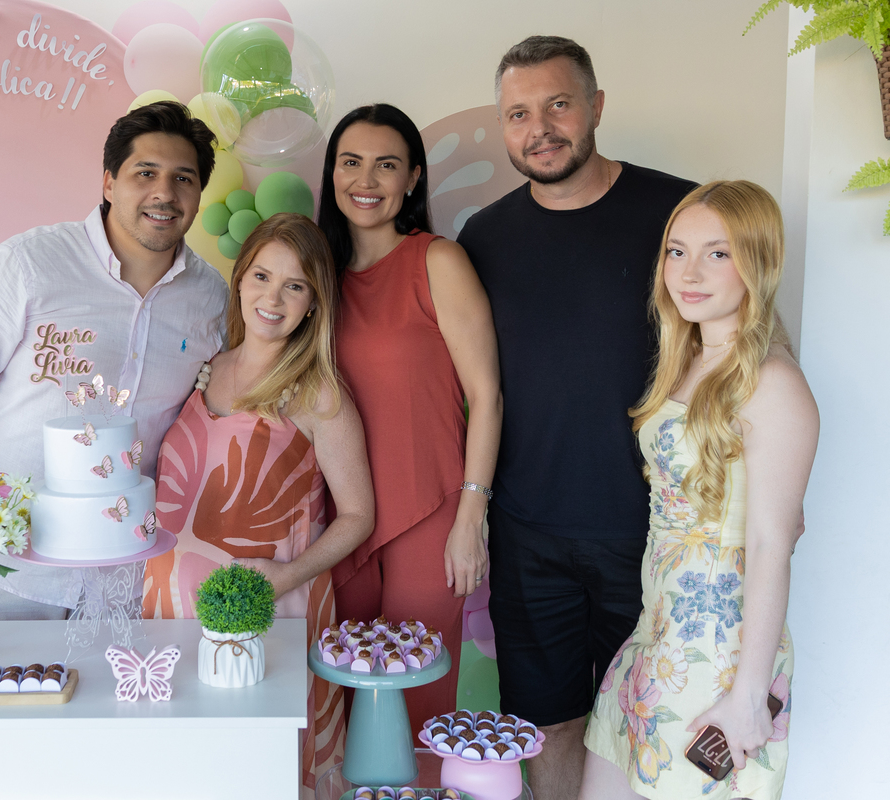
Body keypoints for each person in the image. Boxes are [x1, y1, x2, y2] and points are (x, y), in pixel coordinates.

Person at [456, 36, 697, 799]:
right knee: (547, 724)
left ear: (595, 105)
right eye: (519, 113)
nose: (540, 128)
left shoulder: (680, 214)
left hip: (655, 529)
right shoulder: (484, 238)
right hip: (530, 533)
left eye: (558, 104)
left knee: (649, 726)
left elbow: (746, 345)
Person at [0, 101, 228, 620]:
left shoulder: (211, 297)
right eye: (145, 173)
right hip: (11, 562)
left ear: (199, 195)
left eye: (184, 178)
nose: (165, 193)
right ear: (109, 182)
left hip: (131, 576)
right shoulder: (28, 264)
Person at [580, 180, 817, 798]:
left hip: (719, 653)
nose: (689, 272)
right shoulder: (687, 361)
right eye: (676, 251)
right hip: (656, 633)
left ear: (757, 262)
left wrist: (749, 695)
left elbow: (772, 543)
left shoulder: (773, 383)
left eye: (718, 253)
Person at [141, 213, 375, 792]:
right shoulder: (205, 368)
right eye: (262, 277)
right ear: (240, 279)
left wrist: (285, 577)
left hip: (268, 610)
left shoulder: (319, 394)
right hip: (171, 608)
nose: (273, 298)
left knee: (259, 772)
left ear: (314, 304)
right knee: (183, 771)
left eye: (295, 286)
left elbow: (358, 516)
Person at [317, 104, 502, 735]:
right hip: (340, 519)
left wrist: (471, 516)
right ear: (332, 172)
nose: (366, 180)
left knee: (417, 703)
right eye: (351, 162)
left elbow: (487, 395)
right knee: (341, 699)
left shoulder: (437, 261)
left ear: (413, 178)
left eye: (386, 165)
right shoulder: (316, 275)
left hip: (430, 514)